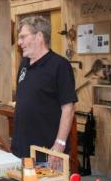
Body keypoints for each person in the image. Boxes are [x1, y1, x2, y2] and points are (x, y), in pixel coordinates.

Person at [11, 16, 77, 166]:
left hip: (47, 154)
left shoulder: (60, 65)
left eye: (23, 37)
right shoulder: (24, 64)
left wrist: (59, 144)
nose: (19, 42)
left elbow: (68, 108)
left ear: (39, 36)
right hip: (20, 151)